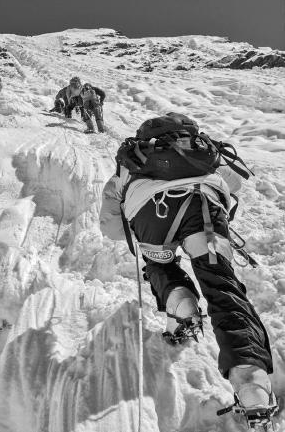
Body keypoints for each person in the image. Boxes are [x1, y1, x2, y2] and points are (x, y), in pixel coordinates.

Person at [99, 112, 276, 428]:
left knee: (160, 264)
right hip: (204, 209)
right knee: (221, 284)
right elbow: (234, 182)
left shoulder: (132, 159)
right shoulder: (203, 149)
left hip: (149, 214)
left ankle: (181, 303)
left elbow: (112, 227)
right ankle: (250, 382)